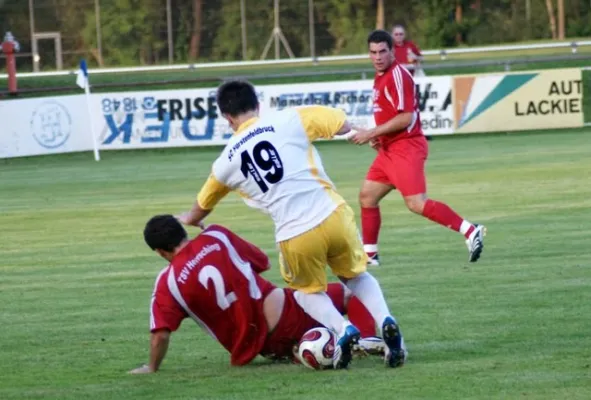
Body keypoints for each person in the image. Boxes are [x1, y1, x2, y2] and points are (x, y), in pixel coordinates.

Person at [177, 80, 406, 369]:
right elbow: (336, 121)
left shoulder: (225, 163)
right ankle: (385, 318)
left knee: (305, 293)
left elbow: (201, 207)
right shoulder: (287, 118)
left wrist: (187, 219)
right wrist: (357, 132)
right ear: (257, 105)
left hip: (294, 233)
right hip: (333, 212)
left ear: (226, 117)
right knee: (356, 277)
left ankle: (343, 328)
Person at [129, 216, 387, 374]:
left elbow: (160, 334)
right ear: (183, 231)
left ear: (161, 252)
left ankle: (302, 350)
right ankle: (364, 340)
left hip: (262, 347)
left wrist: (152, 367)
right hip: (287, 312)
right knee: (348, 294)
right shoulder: (215, 235)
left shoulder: (167, 282)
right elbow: (262, 262)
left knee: (306, 339)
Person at [349, 30, 485, 266]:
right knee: (367, 197)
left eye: (383, 51)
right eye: (373, 52)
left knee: (416, 203)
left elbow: (405, 117)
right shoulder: (380, 76)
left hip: (406, 147)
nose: (378, 56)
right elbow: (391, 116)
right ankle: (370, 255)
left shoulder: (398, 75)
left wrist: (371, 132)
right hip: (389, 149)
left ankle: (470, 230)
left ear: (392, 51)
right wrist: (379, 138)